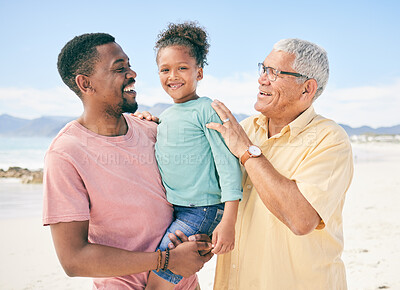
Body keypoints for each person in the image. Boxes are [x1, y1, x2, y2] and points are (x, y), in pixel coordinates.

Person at [42, 32, 213, 289]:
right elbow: (73, 260)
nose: (133, 74)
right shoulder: (66, 155)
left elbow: (199, 190)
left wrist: (200, 242)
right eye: (120, 68)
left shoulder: (154, 130)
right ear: (85, 83)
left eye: (129, 65)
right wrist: (166, 260)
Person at [206, 38, 354, 289]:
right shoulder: (245, 129)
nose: (262, 79)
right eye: (263, 69)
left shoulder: (330, 139)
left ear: (306, 89)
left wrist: (246, 152)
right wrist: (148, 127)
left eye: (274, 73)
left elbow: (301, 219)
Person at [145, 22, 242, 289]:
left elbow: (228, 164)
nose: (173, 76)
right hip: (176, 208)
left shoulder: (206, 109)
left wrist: (229, 220)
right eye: (165, 69)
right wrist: (147, 121)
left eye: (182, 68)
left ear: (199, 73)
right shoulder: (164, 116)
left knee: (159, 279)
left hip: (202, 210)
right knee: (176, 278)